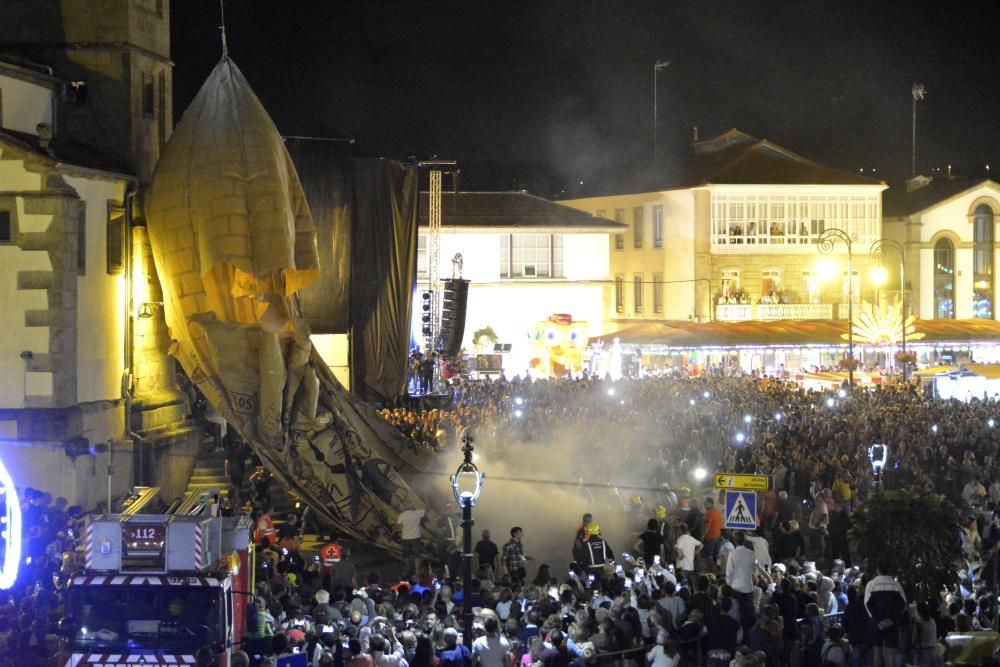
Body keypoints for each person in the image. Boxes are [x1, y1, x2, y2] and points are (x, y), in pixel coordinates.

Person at [864, 562, 907, 667]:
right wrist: (891, 620)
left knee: (877, 653)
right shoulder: (896, 585)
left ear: (877, 570)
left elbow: (867, 604)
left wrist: (878, 621)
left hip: (876, 625)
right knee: (891, 655)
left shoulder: (871, 584)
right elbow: (903, 604)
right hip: (892, 625)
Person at [724, 531, 756, 631]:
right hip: (748, 588)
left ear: (734, 540)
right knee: (748, 616)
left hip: (736, 588)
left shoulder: (732, 554)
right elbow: (754, 570)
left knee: (738, 615)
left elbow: (729, 573)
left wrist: (729, 584)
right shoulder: (751, 554)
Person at [396, 506, 426, 575]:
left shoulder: (402, 515)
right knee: (417, 555)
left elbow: (397, 526)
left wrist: (400, 527)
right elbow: (427, 510)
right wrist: (427, 501)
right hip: (416, 537)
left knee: (406, 555)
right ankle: (417, 571)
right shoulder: (418, 513)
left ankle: (408, 569)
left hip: (405, 538)